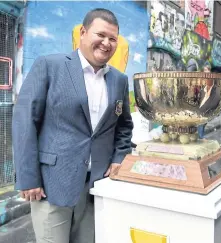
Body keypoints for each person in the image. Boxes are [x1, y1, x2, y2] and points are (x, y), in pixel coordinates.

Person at [12, 9, 133, 243]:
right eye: (101, 35)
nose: (106, 43)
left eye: (113, 39)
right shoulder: (50, 66)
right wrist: (28, 178)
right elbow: (25, 121)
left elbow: (123, 126)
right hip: (52, 184)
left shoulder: (119, 80)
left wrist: (119, 158)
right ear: (83, 33)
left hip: (95, 187)